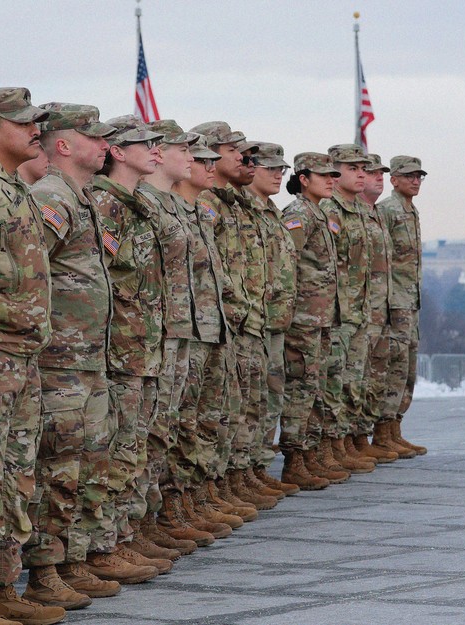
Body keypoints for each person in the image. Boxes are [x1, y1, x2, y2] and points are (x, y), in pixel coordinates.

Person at [21, 103, 126, 610]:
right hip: (60, 360)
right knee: (58, 468)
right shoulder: (52, 197)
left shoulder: (79, 197)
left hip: (87, 357)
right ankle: (44, 571)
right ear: (63, 145)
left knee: (89, 463)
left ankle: (74, 559)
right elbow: (27, 270)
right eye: (95, 138)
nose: (106, 145)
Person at [0, 87, 63, 625]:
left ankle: (2, 585)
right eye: (23, 122)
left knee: (15, 474)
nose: (35, 131)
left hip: (20, 356)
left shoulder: (12, 187)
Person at [87, 116, 173, 581]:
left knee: (135, 446)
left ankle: (124, 535)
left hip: (142, 345)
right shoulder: (105, 204)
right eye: (145, 143)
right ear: (117, 152)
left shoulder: (136, 204)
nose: (156, 150)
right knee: (117, 449)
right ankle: (103, 547)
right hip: (118, 348)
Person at [139, 120, 228, 550]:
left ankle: (171, 508)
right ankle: (141, 523)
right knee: (152, 429)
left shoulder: (178, 207)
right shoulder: (145, 204)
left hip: (187, 327)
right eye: (186, 151)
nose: (195, 161)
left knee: (176, 424)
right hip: (156, 332)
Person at [190, 122, 273, 516]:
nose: (242, 158)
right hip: (217, 322)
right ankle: (203, 492)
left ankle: (231, 479)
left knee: (237, 406)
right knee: (210, 412)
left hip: (241, 320)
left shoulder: (232, 202)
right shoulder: (207, 202)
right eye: (232, 150)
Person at [170, 138, 247, 532]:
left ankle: (198, 496)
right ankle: (174, 507)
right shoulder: (171, 209)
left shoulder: (199, 211)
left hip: (210, 326)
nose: (209, 167)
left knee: (208, 416)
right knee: (182, 421)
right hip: (184, 329)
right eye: (201, 160)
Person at [279, 153, 342, 490]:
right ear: (303, 179)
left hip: (320, 315)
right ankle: (294, 459)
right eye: (323, 175)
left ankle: (310, 453)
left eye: (333, 175)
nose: (331, 180)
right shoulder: (298, 213)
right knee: (301, 386)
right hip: (303, 317)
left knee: (315, 386)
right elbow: (287, 263)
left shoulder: (320, 212)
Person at [245, 142, 300, 496]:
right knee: (251, 399)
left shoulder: (272, 212)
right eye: (270, 168)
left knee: (271, 394)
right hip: (254, 320)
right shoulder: (243, 210)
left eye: (281, 169)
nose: (278, 175)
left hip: (276, 319)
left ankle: (259, 465)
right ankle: (247, 469)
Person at [319, 144, 377, 475]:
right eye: (352, 168)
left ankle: (347, 442)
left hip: (357, 310)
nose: (360, 174)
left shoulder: (358, 210)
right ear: (335, 171)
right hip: (337, 313)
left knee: (354, 381)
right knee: (334, 383)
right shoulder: (330, 209)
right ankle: (330, 447)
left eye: (363, 168)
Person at [375, 156, 428, 458]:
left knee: (408, 369)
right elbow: (381, 258)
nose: (415, 181)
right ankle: (383, 432)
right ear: (393, 179)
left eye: (419, 176)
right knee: (394, 367)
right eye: (409, 176)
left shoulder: (410, 210)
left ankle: (395, 428)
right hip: (395, 303)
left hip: (410, 301)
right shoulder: (388, 210)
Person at [354, 154, 399, 465]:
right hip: (358, 311)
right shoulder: (351, 213)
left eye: (380, 173)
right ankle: (350, 440)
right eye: (371, 173)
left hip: (380, 307)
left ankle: (371, 435)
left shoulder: (376, 214)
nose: (376, 178)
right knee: (355, 376)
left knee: (376, 375)